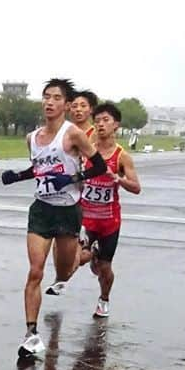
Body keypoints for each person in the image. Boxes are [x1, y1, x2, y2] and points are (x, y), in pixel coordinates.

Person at [1, 78, 105, 359]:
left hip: (68, 211)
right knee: (35, 271)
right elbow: (39, 169)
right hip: (42, 210)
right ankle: (31, 334)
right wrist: (17, 176)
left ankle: (84, 255)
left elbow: (99, 166)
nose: (49, 102)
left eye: (56, 97)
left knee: (63, 272)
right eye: (46, 96)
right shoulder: (32, 137)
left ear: (67, 105)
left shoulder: (73, 135)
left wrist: (72, 178)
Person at [75, 102, 141, 318]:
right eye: (98, 120)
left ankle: (104, 298)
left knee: (105, 268)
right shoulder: (87, 150)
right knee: (77, 257)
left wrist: (118, 179)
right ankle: (90, 253)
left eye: (106, 120)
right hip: (86, 217)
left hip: (109, 221)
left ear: (116, 126)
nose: (101, 124)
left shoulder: (122, 156)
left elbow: (136, 187)